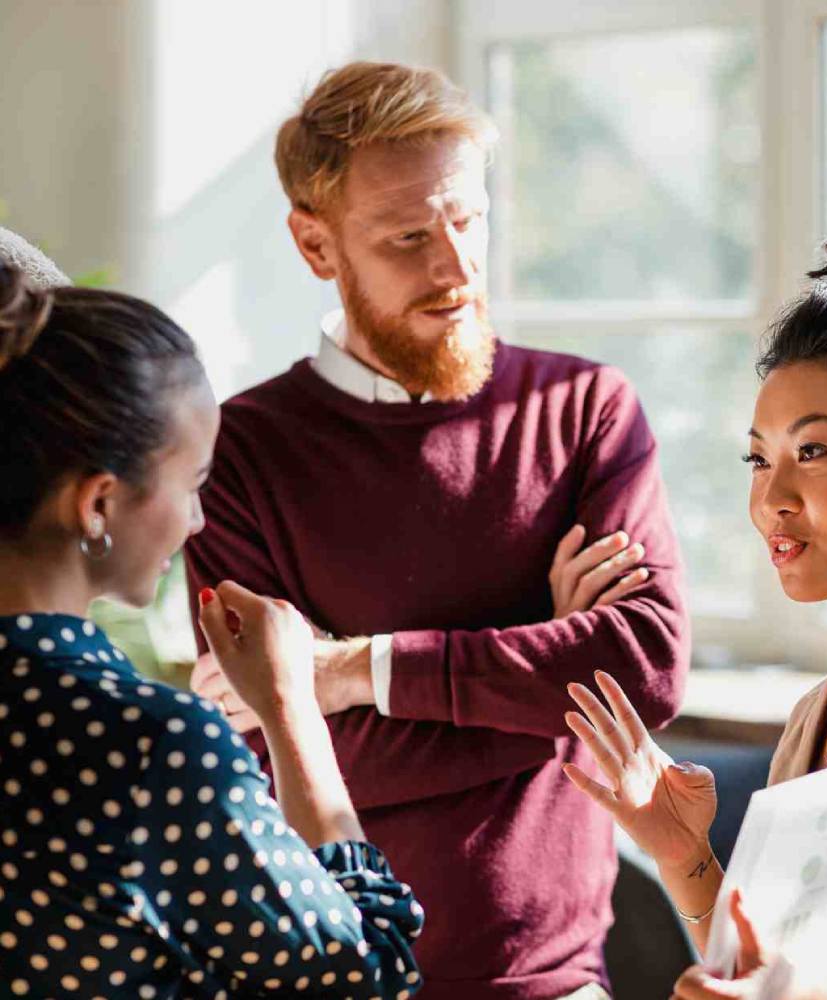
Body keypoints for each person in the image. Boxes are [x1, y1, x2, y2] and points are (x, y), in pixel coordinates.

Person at [184, 61, 690, 1000]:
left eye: (467, 220)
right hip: (336, 984)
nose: (454, 267)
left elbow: (644, 672)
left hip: (560, 986)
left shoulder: (583, 409)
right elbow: (270, 755)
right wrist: (545, 676)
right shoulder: (238, 453)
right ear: (315, 245)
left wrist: (344, 673)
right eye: (410, 236)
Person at [565, 224, 827, 1000]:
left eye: (814, 452)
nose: (771, 500)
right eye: (759, 458)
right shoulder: (815, 713)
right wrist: (686, 857)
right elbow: (758, 965)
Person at [0, 264, 424, 998]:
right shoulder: (146, 747)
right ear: (99, 502)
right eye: (193, 485)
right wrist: (290, 707)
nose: (196, 522)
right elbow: (364, 976)